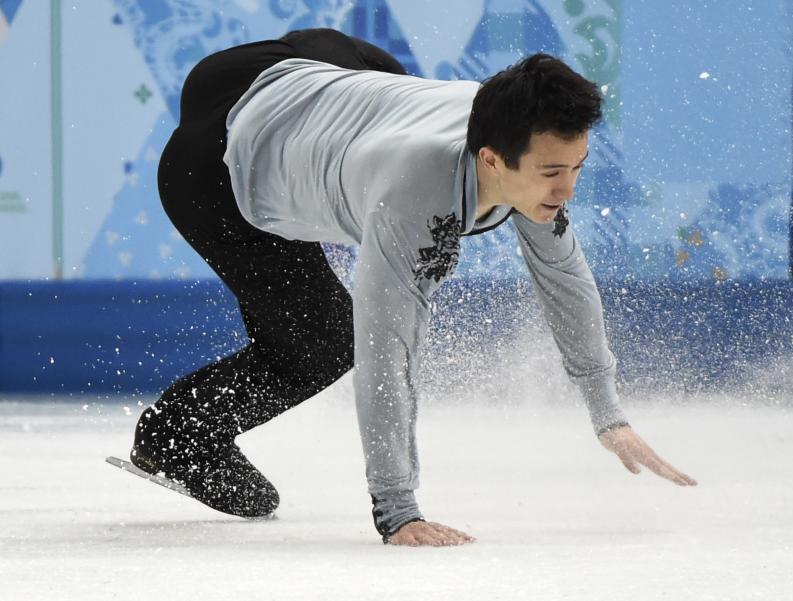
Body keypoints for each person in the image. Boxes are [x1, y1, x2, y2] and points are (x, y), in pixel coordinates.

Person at [130, 28, 697, 547]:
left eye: (577, 168)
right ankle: (180, 435)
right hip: (213, 167)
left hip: (316, 64)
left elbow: (565, 280)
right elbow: (385, 349)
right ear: (493, 159)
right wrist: (397, 510)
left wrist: (609, 415)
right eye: (553, 173)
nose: (567, 189)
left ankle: (332, 171)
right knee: (326, 341)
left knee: (385, 73)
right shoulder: (412, 198)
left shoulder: (511, 132)